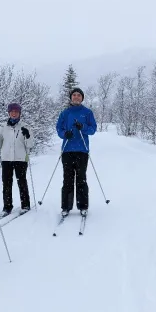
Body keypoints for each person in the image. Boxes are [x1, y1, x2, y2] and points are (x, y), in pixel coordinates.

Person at [56, 87, 97, 217]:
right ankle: (66, 207)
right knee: (67, 179)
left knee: (81, 179)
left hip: (82, 150)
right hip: (67, 150)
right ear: (71, 97)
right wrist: (64, 134)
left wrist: (83, 127)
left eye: (79, 95)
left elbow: (92, 129)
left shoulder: (87, 112)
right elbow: (59, 128)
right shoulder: (65, 113)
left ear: (82, 98)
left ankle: (83, 206)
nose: (76, 97)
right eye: (74, 95)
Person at [0, 103, 34, 217]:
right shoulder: (2, 127)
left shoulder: (25, 127)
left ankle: (25, 205)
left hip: (21, 158)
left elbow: (30, 144)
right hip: (6, 159)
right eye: (12, 111)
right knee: (6, 183)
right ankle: (7, 207)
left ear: (19, 113)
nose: (14, 113)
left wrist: (28, 136)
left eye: (16, 111)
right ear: (9, 113)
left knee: (22, 182)